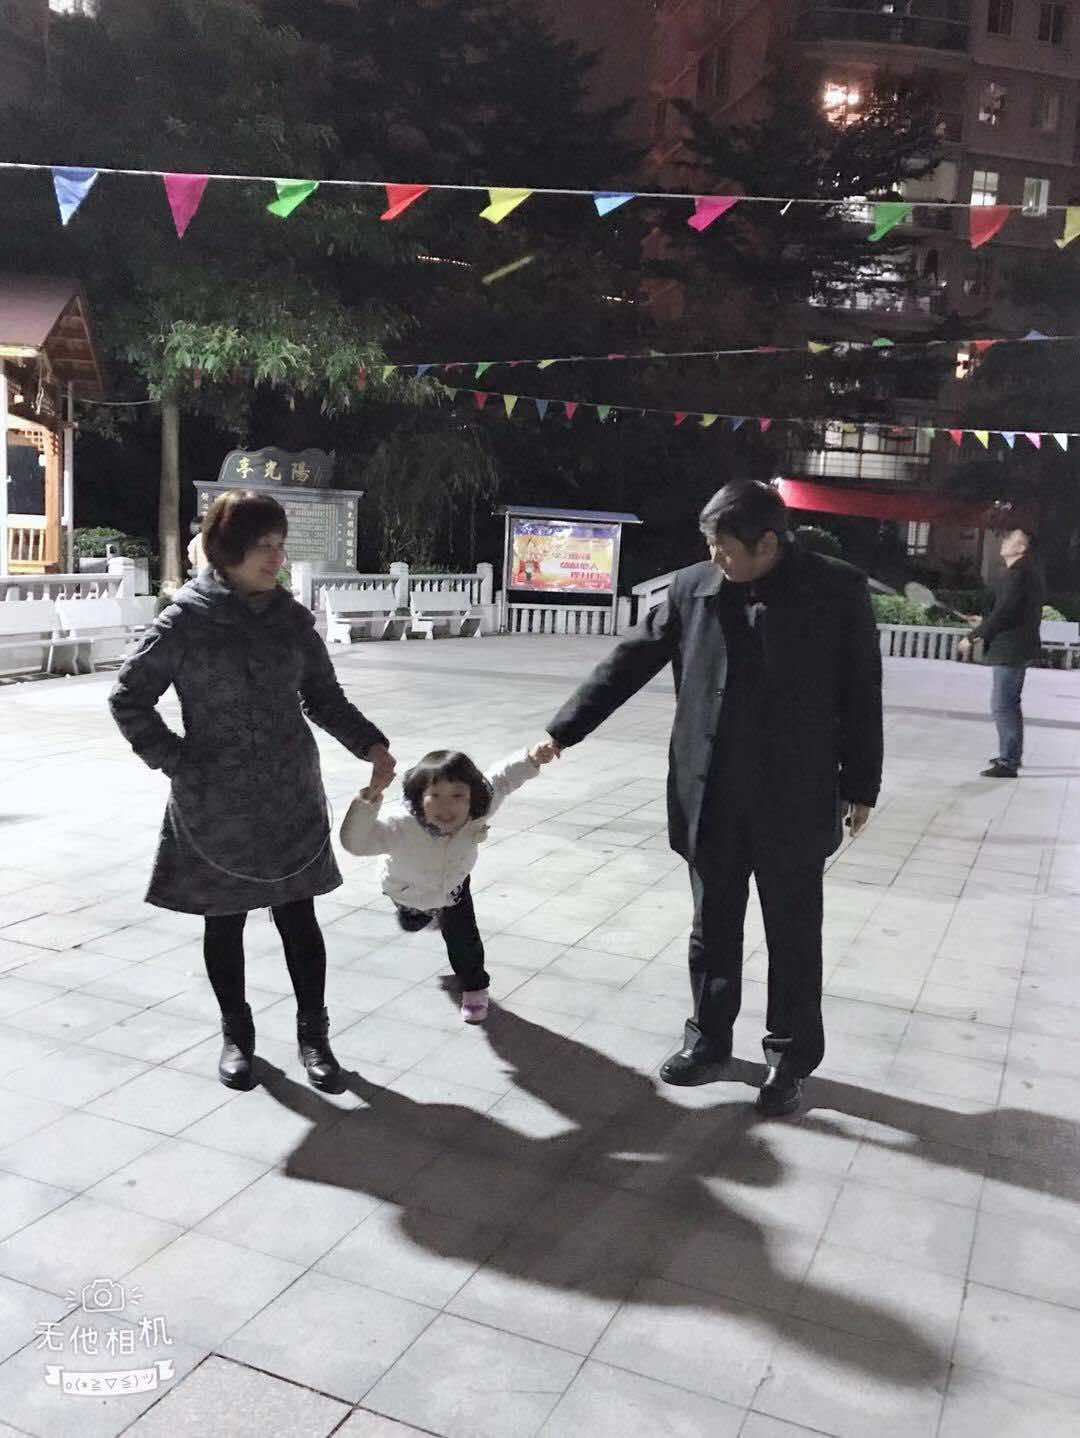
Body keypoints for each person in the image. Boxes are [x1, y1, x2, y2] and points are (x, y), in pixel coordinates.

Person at [545, 481, 883, 1116]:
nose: (715, 558)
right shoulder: (693, 587)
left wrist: (861, 784)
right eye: (710, 545)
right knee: (712, 927)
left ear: (768, 543)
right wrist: (564, 730)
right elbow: (629, 660)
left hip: (794, 795)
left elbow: (862, 690)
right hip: (712, 792)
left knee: (793, 934)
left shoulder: (835, 589)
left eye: (725, 548)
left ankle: (789, 1059)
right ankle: (707, 1040)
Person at [109, 491, 396, 1093]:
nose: (276, 557)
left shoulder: (292, 621)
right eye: (263, 546)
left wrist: (371, 745)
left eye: (279, 545)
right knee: (225, 921)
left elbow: (324, 698)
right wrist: (177, 761)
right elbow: (128, 698)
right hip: (215, 801)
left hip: (291, 792)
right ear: (227, 549)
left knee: (299, 916)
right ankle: (237, 1036)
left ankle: (315, 1037)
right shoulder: (185, 621)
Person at [340, 743, 557, 1022]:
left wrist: (531, 759)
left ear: (472, 796)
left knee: (464, 937)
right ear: (419, 796)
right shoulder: (400, 826)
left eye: (457, 795)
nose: (447, 806)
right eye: (435, 795)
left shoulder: (477, 810)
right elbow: (357, 843)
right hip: (408, 891)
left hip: (454, 886)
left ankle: (475, 988)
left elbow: (502, 779)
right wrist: (370, 797)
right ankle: (424, 917)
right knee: (412, 922)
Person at [958, 529, 1044, 779]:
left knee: (1003, 705)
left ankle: (1008, 761)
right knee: (1008, 703)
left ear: (1021, 548)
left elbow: (1005, 612)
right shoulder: (1023, 573)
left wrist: (973, 636)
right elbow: (1009, 611)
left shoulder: (1019, 574)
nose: (1004, 541)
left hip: (1011, 648)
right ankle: (1011, 753)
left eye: (1010, 539)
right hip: (1016, 646)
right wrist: (983, 622)